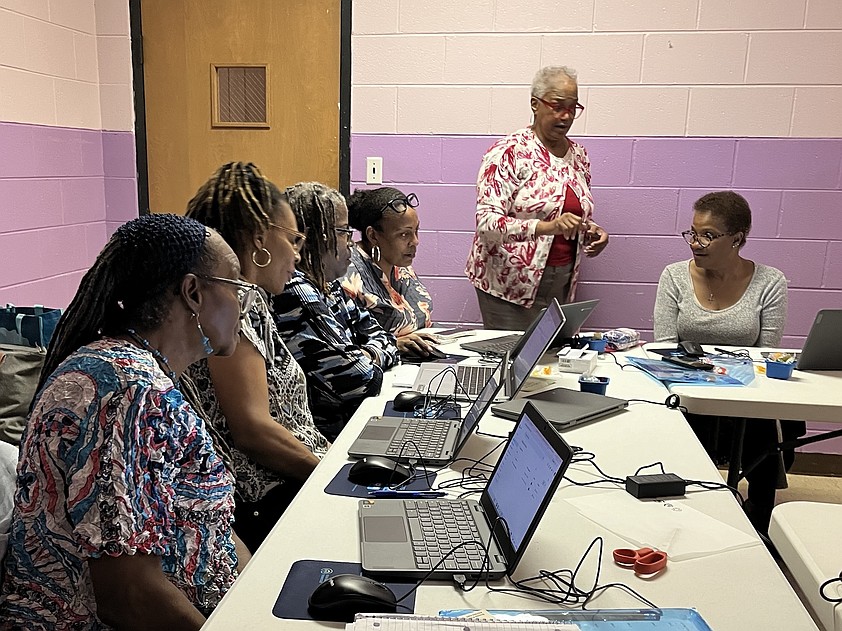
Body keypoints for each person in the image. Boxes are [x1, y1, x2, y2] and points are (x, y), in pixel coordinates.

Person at [0, 214, 249, 630]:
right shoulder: (125, 390)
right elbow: (126, 595)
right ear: (193, 293)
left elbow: (210, 527)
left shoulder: (138, 373)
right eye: (237, 285)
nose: (243, 303)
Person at [184, 163, 331, 553]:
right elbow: (253, 430)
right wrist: (331, 476)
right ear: (260, 239)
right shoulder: (230, 308)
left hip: (286, 482)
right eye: (294, 239)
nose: (298, 255)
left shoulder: (251, 300)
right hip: (264, 499)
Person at [654, 190, 801, 533]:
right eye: (692, 233)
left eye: (708, 235)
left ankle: (759, 518)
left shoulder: (769, 281)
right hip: (688, 386)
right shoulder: (674, 276)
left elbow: (767, 351)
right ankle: (685, 513)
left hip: (744, 390)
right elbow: (663, 346)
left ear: (737, 239)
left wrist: (728, 375)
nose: (695, 243)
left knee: (765, 424)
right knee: (689, 421)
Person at [465, 65, 609, 331]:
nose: (565, 115)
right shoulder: (508, 152)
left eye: (573, 107)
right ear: (535, 104)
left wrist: (591, 230)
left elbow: (571, 213)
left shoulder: (578, 155)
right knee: (513, 362)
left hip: (562, 279)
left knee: (550, 364)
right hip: (509, 284)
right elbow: (487, 224)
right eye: (557, 106)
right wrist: (547, 228)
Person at [272, 182, 399, 441]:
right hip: (331, 438)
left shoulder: (330, 285)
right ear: (316, 235)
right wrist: (366, 356)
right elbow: (363, 380)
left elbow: (386, 338)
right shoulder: (295, 291)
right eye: (344, 232)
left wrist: (366, 354)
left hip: (353, 424)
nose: (351, 244)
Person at [342, 187, 437, 357]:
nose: (415, 241)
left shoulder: (400, 265)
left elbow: (423, 311)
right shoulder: (348, 273)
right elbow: (351, 343)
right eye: (403, 235)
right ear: (373, 236)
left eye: (416, 231)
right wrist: (394, 343)